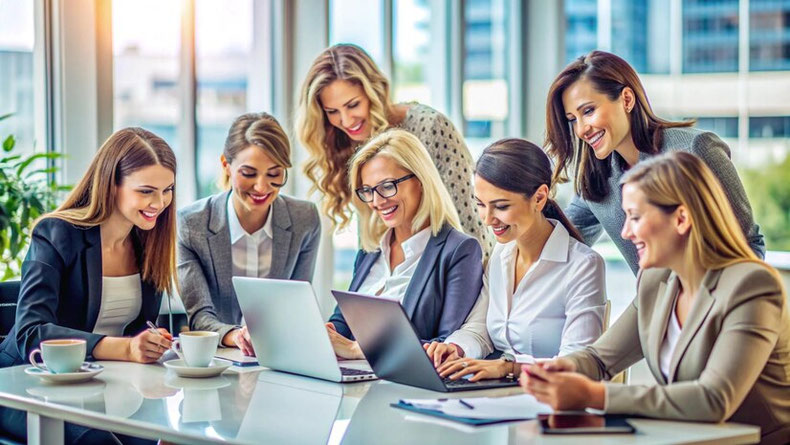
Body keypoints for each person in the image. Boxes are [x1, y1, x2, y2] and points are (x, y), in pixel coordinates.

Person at [521, 151, 790, 445]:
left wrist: (592, 395)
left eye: (635, 218)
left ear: (682, 218)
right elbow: (600, 358)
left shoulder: (751, 285)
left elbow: (713, 399)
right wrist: (560, 369)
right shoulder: (655, 280)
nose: (625, 232)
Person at [0, 127, 178, 444]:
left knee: (165, 436)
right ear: (112, 185)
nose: (160, 202)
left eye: (167, 190)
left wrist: (151, 344)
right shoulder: (56, 233)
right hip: (27, 388)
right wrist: (126, 348)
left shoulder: (148, 242)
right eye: (147, 191)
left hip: (101, 383)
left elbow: (139, 330)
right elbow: (31, 331)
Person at [545, 50, 764, 274]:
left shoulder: (696, 150)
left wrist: (712, 304)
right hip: (653, 305)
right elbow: (557, 242)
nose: (581, 130)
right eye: (572, 120)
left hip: (712, 302)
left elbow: (749, 245)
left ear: (627, 99)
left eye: (589, 111)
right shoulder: (595, 178)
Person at [424, 139, 606, 381]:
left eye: (500, 206)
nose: (488, 219)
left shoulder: (583, 266)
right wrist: (454, 348)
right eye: (480, 204)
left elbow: (579, 361)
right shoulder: (501, 255)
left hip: (552, 398)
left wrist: (509, 367)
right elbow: (481, 330)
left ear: (539, 198)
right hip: (497, 392)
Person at [296, 43, 492, 255]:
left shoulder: (430, 127)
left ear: (374, 92)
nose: (345, 120)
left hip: (444, 273)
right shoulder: (347, 142)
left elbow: (470, 224)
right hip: (391, 274)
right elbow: (371, 237)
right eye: (332, 111)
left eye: (353, 105)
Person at [325, 129, 483, 359]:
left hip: (409, 387)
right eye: (368, 191)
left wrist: (359, 350)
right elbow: (342, 322)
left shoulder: (459, 250)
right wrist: (327, 334)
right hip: (354, 379)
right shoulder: (369, 252)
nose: (377, 201)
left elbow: (444, 346)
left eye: (387, 186)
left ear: (420, 180)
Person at [178, 112, 320, 356]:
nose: (262, 187)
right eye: (249, 173)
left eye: (274, 174)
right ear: (226, 165)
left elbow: (297, 306)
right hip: (218, 357)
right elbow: (200, 316)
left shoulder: (304, 220)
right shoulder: (192, 224)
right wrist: (238, 337)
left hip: (279, 356)